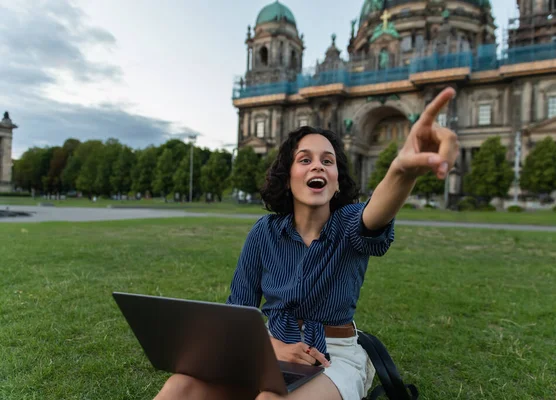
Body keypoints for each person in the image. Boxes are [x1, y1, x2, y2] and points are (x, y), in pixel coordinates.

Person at [154, 88, 459, 400]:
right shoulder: (264, 232)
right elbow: (239, 309)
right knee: (180, 386)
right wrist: (273, 347)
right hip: (269, 346)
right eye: (305, 159)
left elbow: (376, 212)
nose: (318, 166)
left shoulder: (350, 224)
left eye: (328, 161)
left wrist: (401, 171)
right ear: (288, 177)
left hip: (333, 356)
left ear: (337, 180)